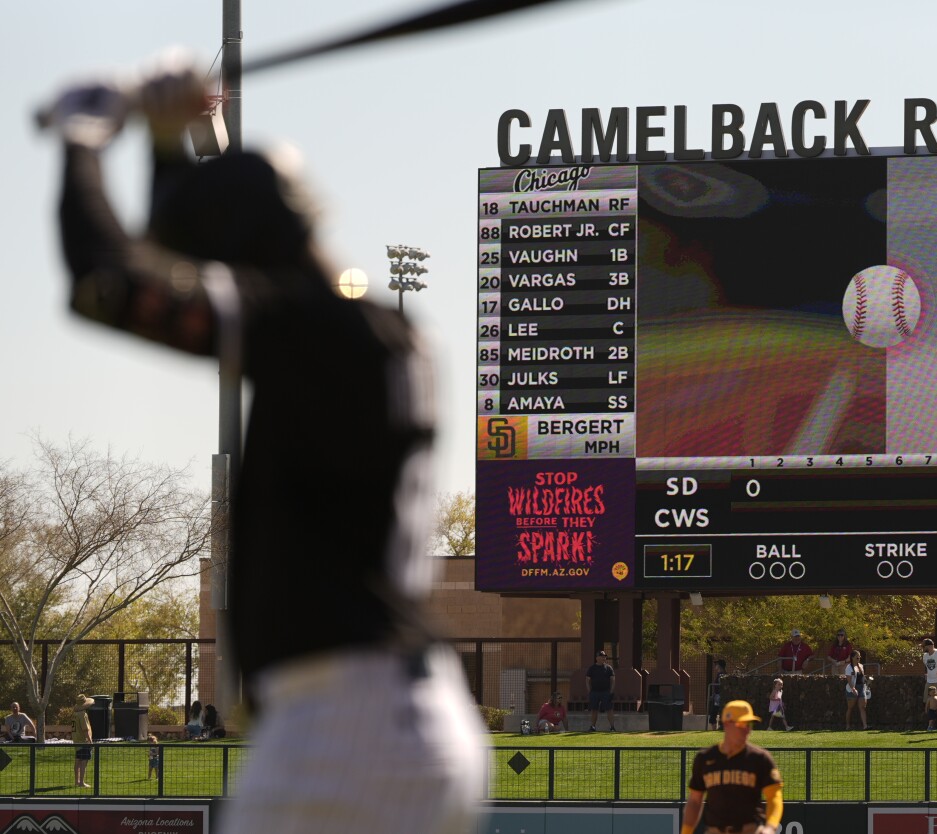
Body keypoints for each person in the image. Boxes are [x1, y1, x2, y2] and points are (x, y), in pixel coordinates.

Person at [49, 58, 486, 834]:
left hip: (346, 723)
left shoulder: (317, 331)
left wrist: (86, 139)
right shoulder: (373, 327)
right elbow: (185, 258)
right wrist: (161, 137)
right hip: (388, 712)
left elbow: (109, 281)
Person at [681, 700, 784, 834]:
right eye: (742, 724)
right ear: (726, 724)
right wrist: (686, 831)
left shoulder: (760, 758)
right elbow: (695, 800)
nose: (747, 729)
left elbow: (774, 797)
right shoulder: (705, 758)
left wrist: (770, 827)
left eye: (749, 724)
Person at [587, 649, 616, 731]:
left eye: (604, 657)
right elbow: (587, 680)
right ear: (597, 658)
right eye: (602, 656)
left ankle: (612, 727)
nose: (604, 658)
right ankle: (592, 727)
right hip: (594, 692)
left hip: (606, 692)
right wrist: (589, 691)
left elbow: (613, 680)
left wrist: (611, 691)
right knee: (594, 709)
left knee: (609, 709)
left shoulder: (609, 668)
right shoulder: (592, 668)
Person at [843, 649, 869, 730]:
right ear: (852, 657)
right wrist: (853, 689)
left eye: (859, 657)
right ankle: (848, 725)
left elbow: (862, 678)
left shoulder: (861, 666)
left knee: (862, 707)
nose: (859, 658)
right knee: (850, 707)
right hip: (852, 689)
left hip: (861, 688)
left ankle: (865, 726)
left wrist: (867, 684)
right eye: (857, 657)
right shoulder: (848, 667)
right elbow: (849, 680)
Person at [73, 694, 94, 788]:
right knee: (84, 761)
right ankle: (81, 782)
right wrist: (90, 741)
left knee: (77, 760)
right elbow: (85, 729)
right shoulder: (83, 714)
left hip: (76, 740)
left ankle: (76, 781)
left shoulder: (75, 714)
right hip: (83, 741)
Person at [710, 659, 727, 731]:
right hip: (717, 696)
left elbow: (719, 685)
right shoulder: (720, 674)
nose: (715, 666)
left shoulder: (721, 674)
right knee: (716, 712)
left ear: (719, 666)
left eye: (716, 665)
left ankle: (716, 729)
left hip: (719, 696)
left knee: (714, 712)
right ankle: (716, 728)